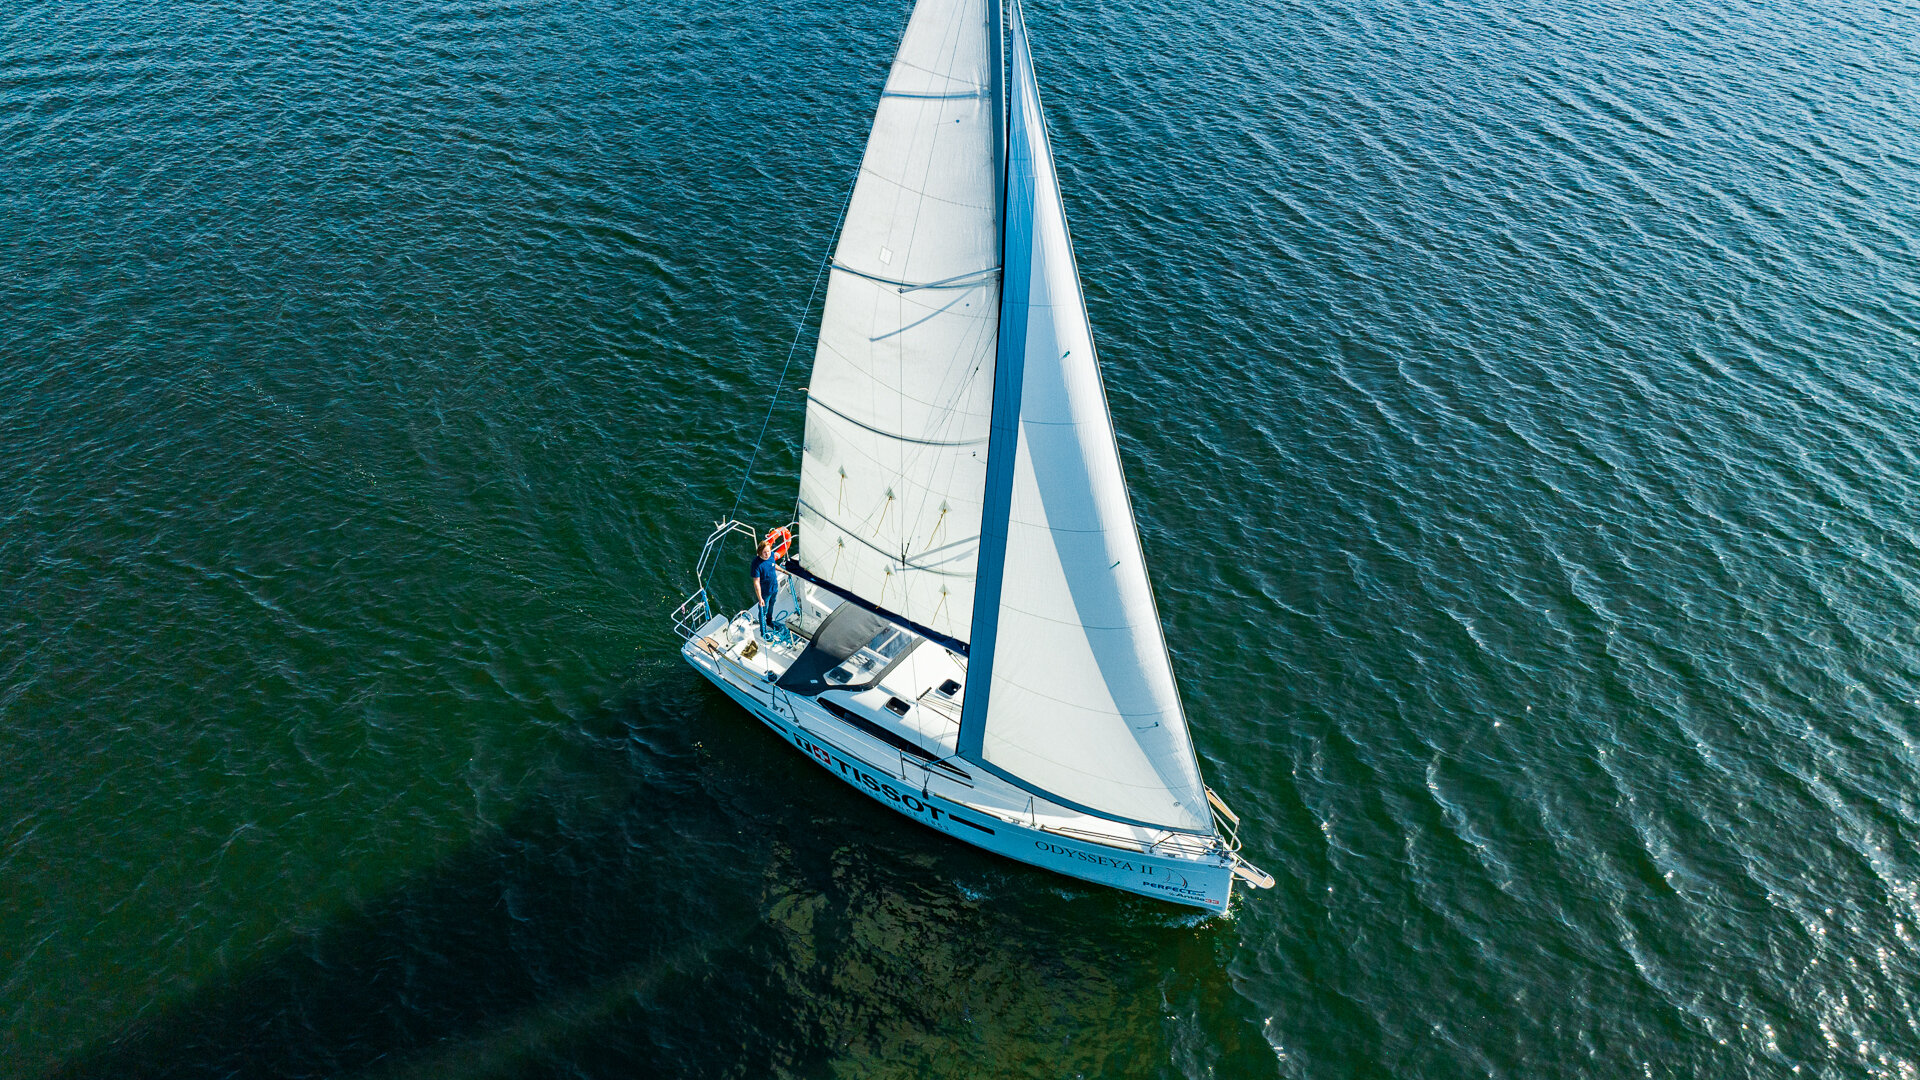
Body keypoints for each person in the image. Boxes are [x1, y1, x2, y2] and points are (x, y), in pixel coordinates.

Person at [750, 537, 780, 637]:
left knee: (772, 605)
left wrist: (783, 571)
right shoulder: (756, 564)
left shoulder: (771, 555)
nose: (767, 554)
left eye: (768, 551)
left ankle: (769, 621)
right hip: (765, 593)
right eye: (765, 552)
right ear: (760, 552)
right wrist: (760, 598)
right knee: (763, 611)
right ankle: (763, 632)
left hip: (774, 587)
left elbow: (773, 565)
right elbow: (756, 582)